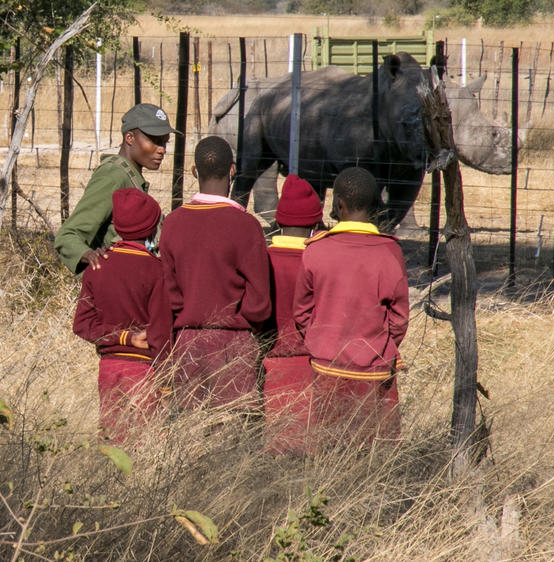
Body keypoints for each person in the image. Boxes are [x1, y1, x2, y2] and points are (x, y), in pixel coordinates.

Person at [292, 167, 409, 447]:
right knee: (373, 454)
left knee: (327, 450)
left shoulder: (316, 250)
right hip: (374, 370)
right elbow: (400, 317)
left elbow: (301, 312)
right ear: (375, 204)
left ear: (338, 204)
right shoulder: (389, 251)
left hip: (326, 367)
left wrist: (320, 341)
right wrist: (380, 346)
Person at [160, 136, 272, 411]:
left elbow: (170, 294)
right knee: (232, 437)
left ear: (194, 171)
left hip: (187, 342)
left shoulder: (173, 223)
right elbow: (259, 302)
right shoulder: (246, 225)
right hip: (233, 344)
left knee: (191, 433)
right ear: (232, 170)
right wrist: (243, 320)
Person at [73, 188, 172, 444]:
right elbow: (161, 334)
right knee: (145, 443)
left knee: (112, 443)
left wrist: (123, 337)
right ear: (152, 229)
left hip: (108, 368)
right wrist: (166, 384)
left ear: (116, 224)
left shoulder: (97, 265)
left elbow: (82, 325)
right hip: (145, 370)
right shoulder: (157, 269)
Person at [54, 103, 178, 274]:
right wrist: (89, 256)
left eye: (165, 142)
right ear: (130, 138)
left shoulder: (130, 176)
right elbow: (67, 236)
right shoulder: (113, 176)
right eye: (155, 141)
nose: (162, 150)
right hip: (118, 288)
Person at [261, 175, 324, 454]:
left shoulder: (263, 259)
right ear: (315, 225)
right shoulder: (320, 262)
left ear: (279, 221)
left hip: (268, 369)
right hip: (312, 371)